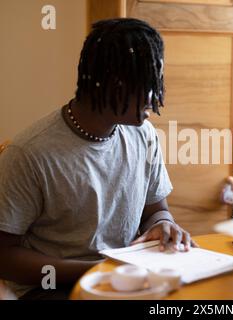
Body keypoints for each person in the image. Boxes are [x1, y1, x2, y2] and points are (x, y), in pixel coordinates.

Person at [0, 18, 195, 299]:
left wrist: (164, 224)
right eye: (149, 85)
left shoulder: (145, 135)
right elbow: (4, 258)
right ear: (116, 85)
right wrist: (95, 271)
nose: (155, 99)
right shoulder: (29, 154)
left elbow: (155, 210)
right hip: (53, 287)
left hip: (122, 277)